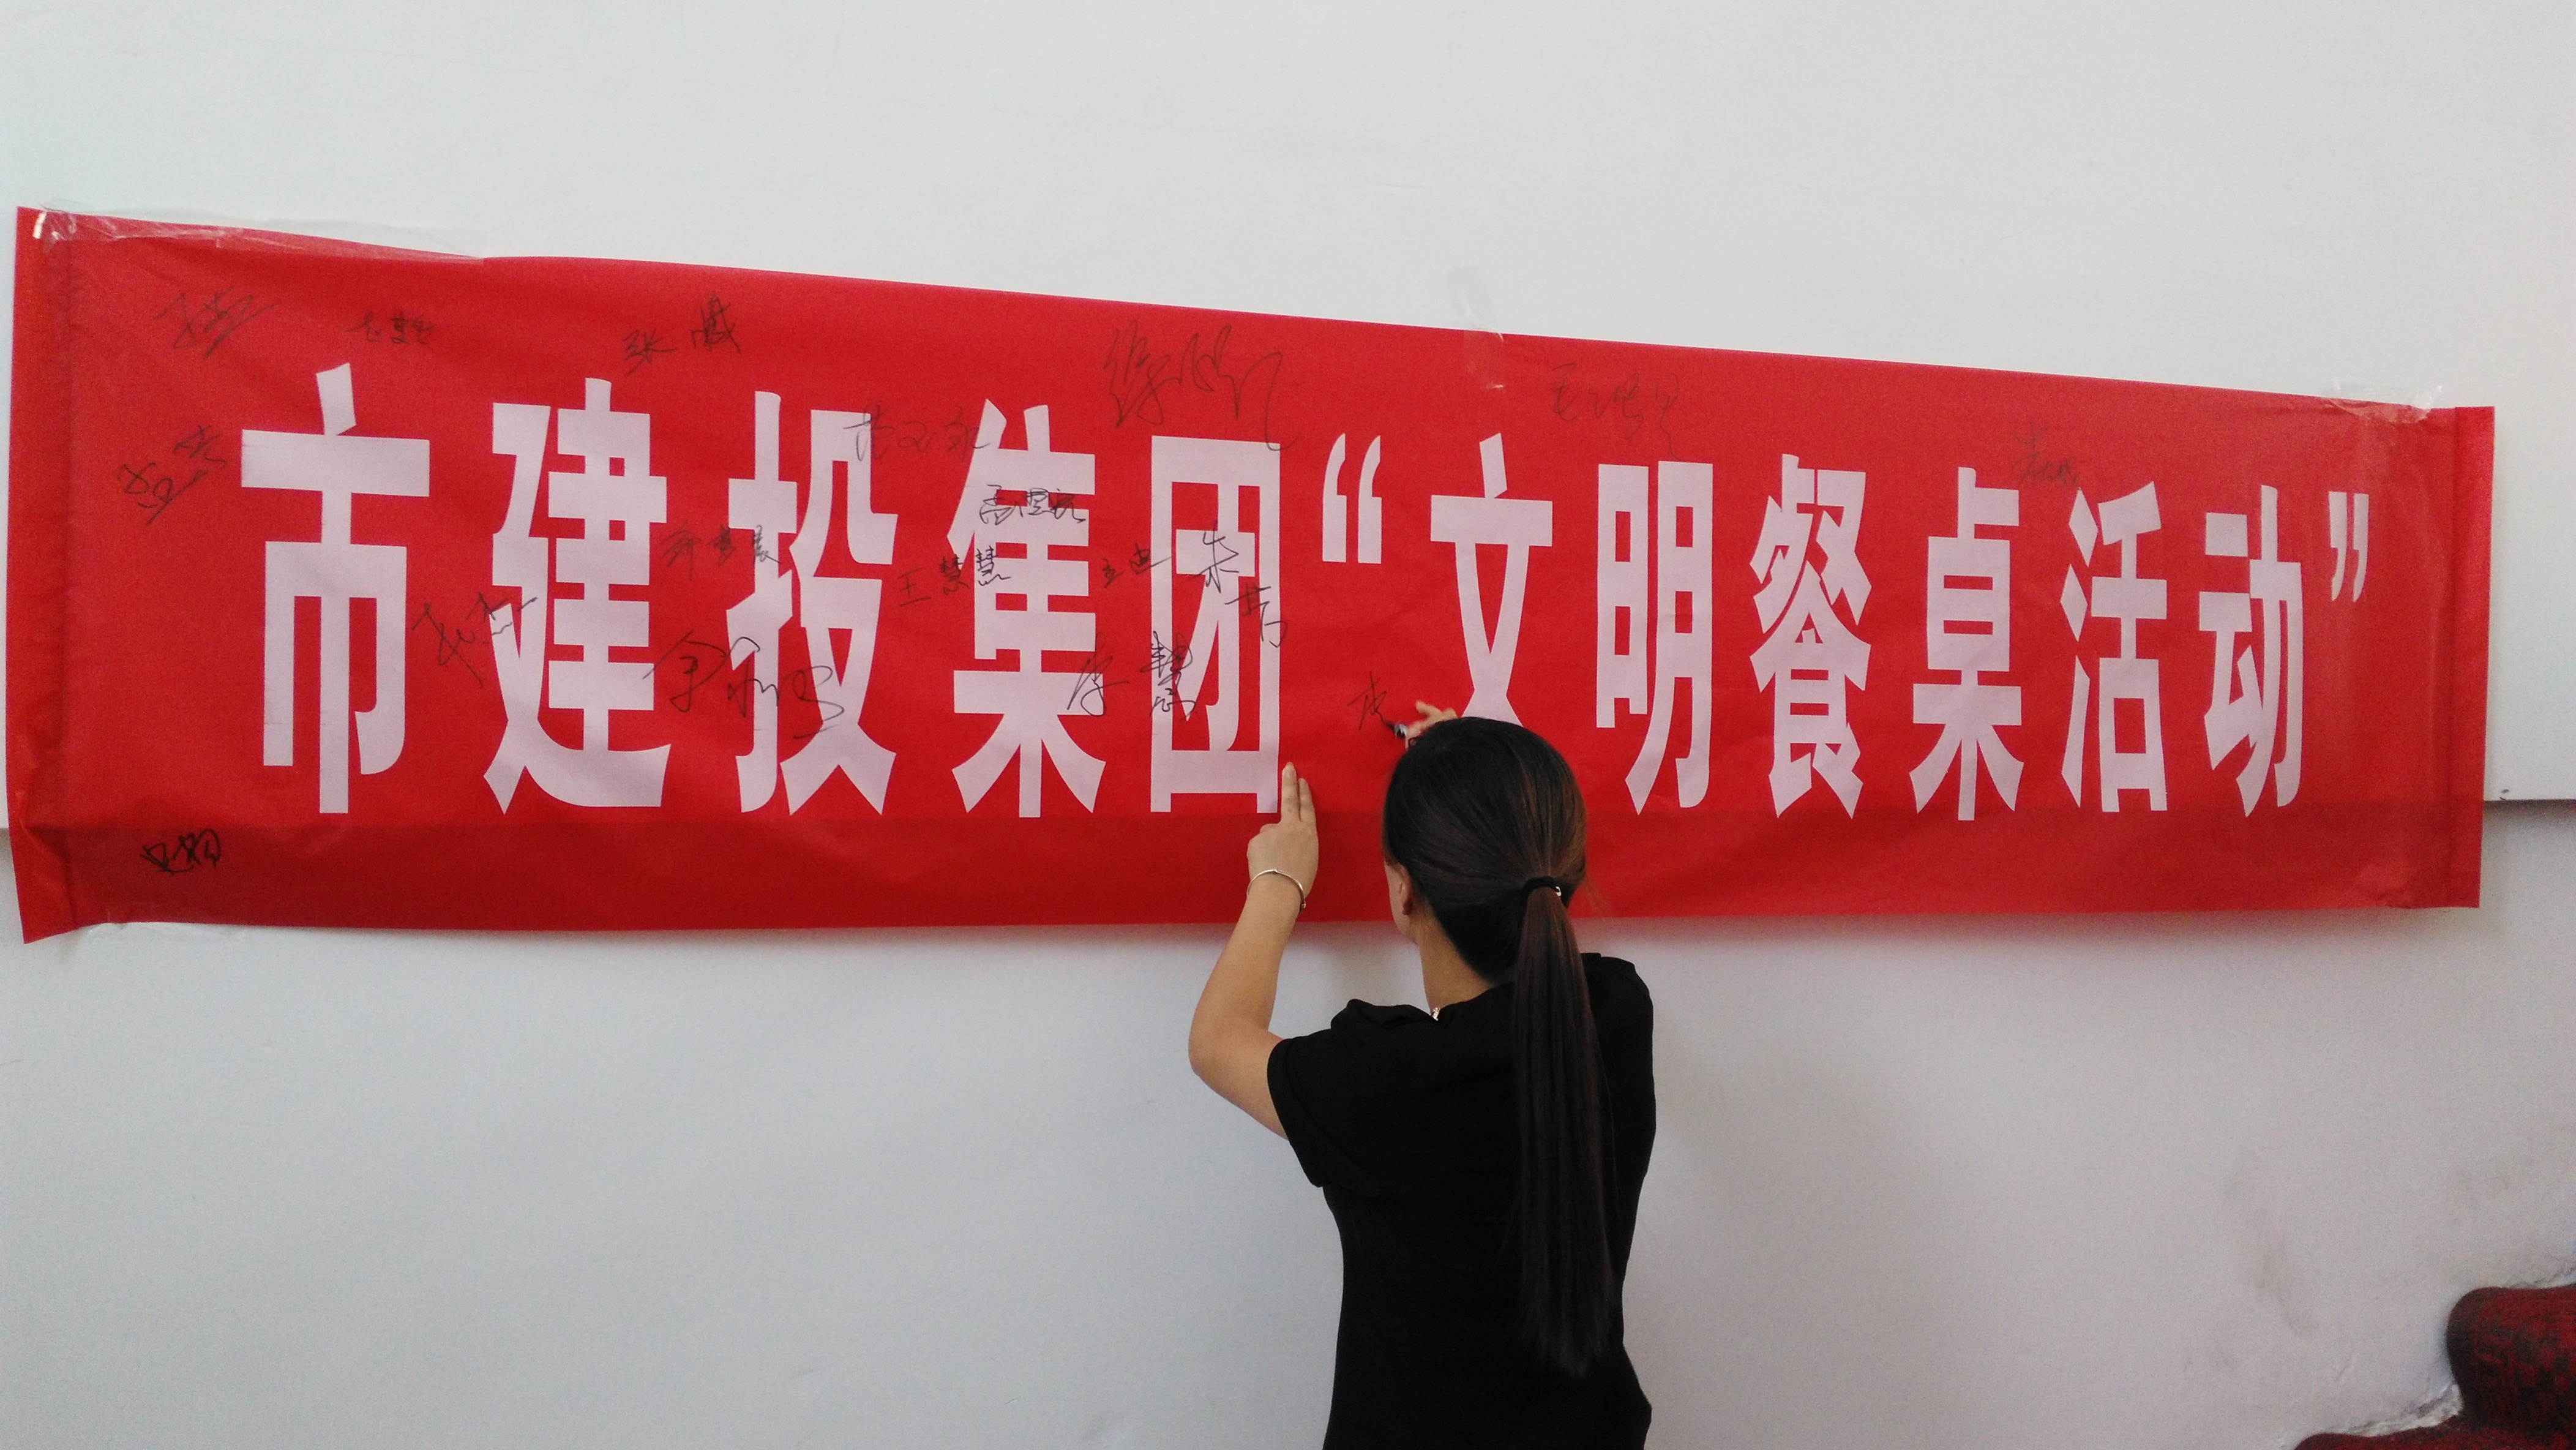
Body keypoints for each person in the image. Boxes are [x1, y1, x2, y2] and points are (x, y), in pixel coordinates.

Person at [1188, 708, 1656, 1449]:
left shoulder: (1390, 1081)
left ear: (1403, 891)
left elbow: (1218, 1041)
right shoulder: (1617, 1013)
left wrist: (1278, 879)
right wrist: (1478, 769)